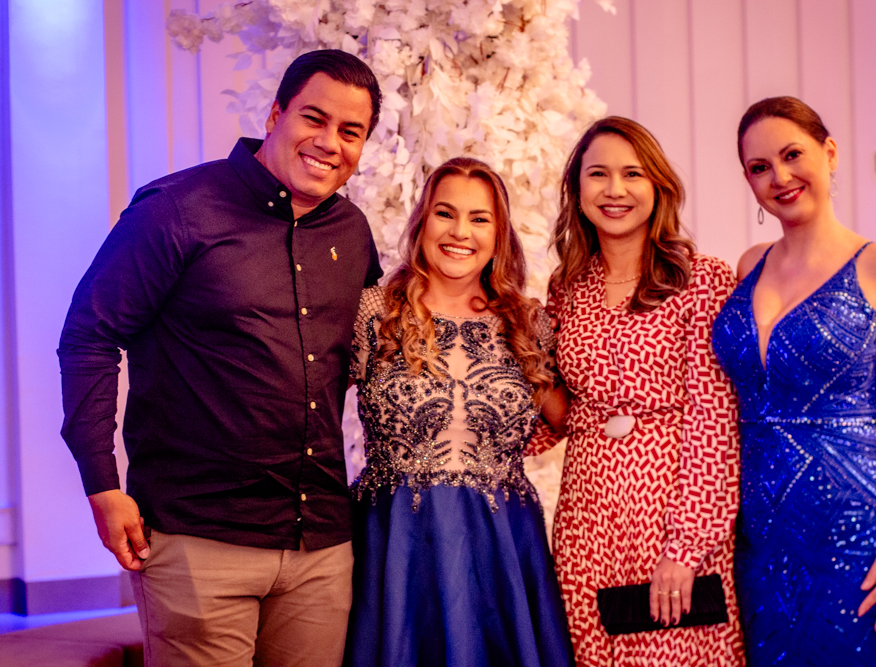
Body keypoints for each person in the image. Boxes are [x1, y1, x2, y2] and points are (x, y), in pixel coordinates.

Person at [58, 50, 383, 666]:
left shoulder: (352, 231)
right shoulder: (177, 209)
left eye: (351, 131)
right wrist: (101, 483)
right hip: (197, 538)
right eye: (314, 118)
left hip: (320, 546)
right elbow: (89, 337)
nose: (329, 143)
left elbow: (366, 358)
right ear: (275, 114)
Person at [712, 96, 876, 665]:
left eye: (793, 155)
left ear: (829, 153)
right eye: (760, 167)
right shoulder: (749, 266)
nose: (779, 177)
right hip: (761, 532)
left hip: (862, 530)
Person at [344, 157, 575, 667]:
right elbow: (304, 407)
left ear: (500, 234)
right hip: (395, 544)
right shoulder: (373, 313)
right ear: (422, 221)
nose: (460, 232)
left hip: (502, 547)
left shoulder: (529, 324)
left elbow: (573, 419)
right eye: (445, 213)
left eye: (479, 218)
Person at [532, 117, 744, 665]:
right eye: (598, 174)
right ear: (577, 190)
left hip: (672, 518)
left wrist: (687, 547)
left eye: (632, 174)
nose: (615, 189)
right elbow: (561, 414)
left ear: (658, 186)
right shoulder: (568, 287)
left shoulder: (702, 279)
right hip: (587, 520)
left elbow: (715, 422)